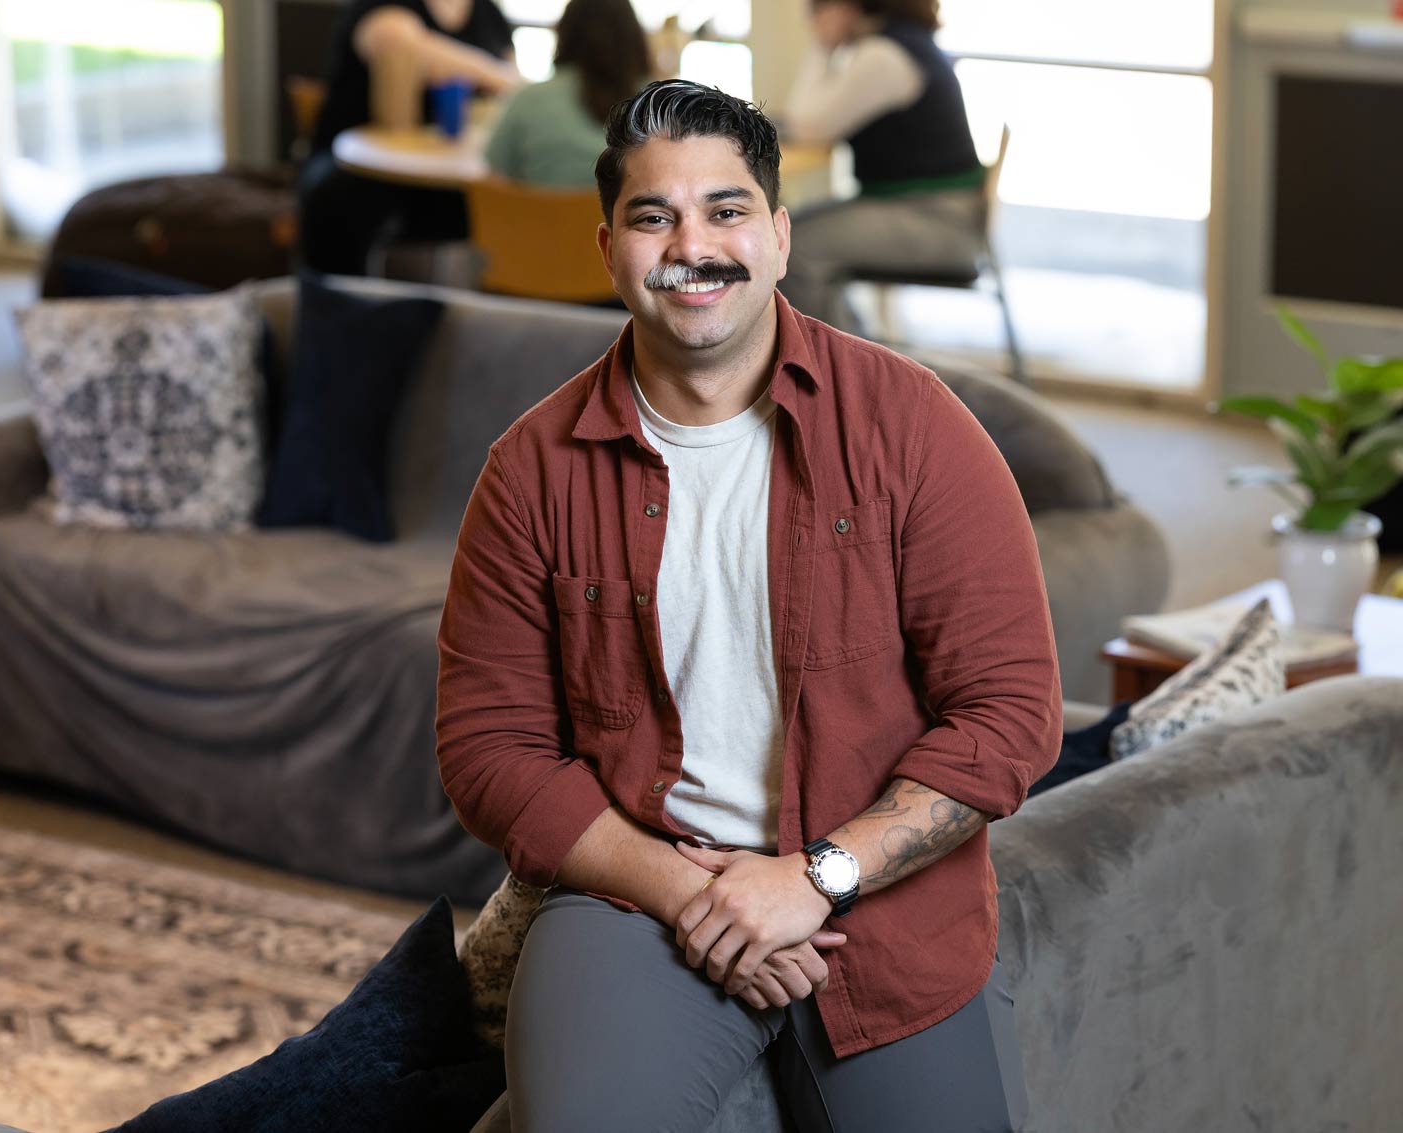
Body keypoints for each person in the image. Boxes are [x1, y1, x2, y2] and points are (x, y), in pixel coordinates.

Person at [436, 79, 1059, 1132]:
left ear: (777, 237)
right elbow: (489, 749)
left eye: (725, 210)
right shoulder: (531, 470)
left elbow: (1009, 712)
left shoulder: (914, 428)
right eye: (654, 216)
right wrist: (695, 894)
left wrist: (812, 878)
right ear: (609, 251)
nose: (693, 244)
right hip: (638, 892)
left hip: (878, 893)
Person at [777, 0, 985, 332]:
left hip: (936, 222)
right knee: (790, 231)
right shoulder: (905, 41)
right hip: (939, 213)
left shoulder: (883, 55)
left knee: (789, 245)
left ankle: (840, 358)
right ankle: (854, 347)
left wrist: (822, 46)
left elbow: (806, 125)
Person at [299, 0, 518, 275]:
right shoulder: (381, 7)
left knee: (507, 203)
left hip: (448, 173)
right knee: (342, 198)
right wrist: (497, 76)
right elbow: (398, 42)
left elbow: (511, 92)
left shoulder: (488, 13)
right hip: (356, 164)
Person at [481, 0, 651, 186]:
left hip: (540, 205)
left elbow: (493, 178)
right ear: (635, 37)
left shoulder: (528, 99)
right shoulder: (656, 104)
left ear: (564, 33)